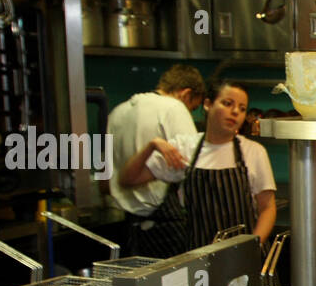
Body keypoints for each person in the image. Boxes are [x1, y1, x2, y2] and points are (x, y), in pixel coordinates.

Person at [118, 79, 277, 250]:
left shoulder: (253, 151)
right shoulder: (185, 148)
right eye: (227, 103)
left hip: (246, 258)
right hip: (199, 259)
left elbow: (267, 208)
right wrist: (152, 146)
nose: (235, 112)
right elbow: (129, 179)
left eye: (242, 108)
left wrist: (252, 246)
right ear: (208, 104)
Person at [105, 65, 207, 257]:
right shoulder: (174, 107)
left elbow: (107, 172)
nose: (191, 113)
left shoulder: (118, 112)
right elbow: (192, 164)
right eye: (193, 108)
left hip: (128, 223)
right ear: (186, 94)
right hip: (166, 222)